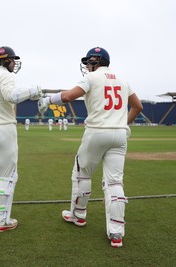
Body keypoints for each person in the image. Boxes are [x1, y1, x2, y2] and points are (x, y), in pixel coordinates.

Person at [38, 47, 143, 248]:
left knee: (82, 174)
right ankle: (116, 233)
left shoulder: (92, 78)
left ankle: (79, 215)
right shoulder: (123, 80)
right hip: (120, 135)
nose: (86, 66)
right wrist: (124, 123)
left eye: (89, 62)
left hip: (96, 132)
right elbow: (138, 107)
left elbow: (69, 96)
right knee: (114, 183)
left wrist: (48, 100)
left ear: (96, 62)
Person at [0, 46, 42, 232]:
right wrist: (34, 90)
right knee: (6, 177)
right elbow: (12, 95)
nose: (14, 63)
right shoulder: (4, 75)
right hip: (3, 128)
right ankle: (1, 221)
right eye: (12, 60)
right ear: (5, 61)